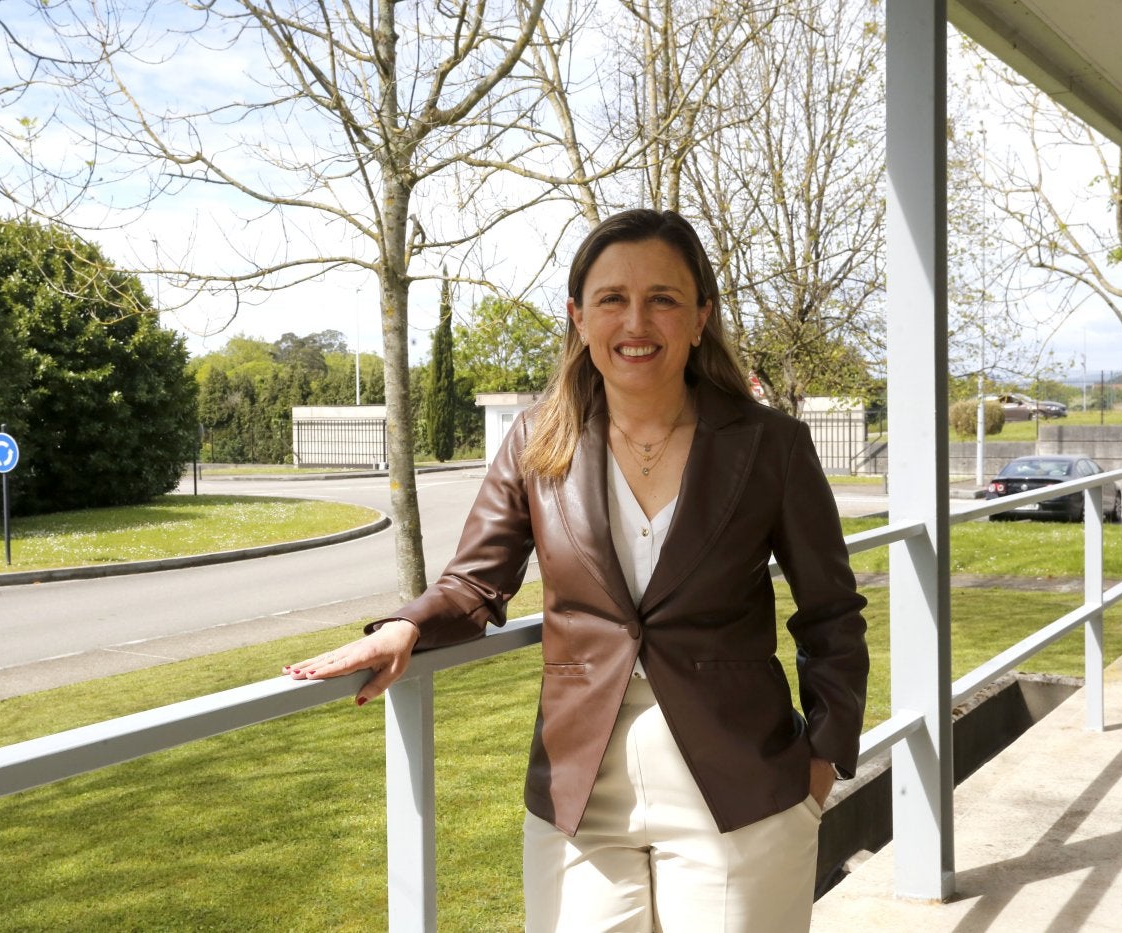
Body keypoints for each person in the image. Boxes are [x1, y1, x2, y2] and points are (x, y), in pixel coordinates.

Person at [285, 209, 868, 932]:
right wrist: (405, 626)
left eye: (663, 298)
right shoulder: (538, 441)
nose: (637, 321)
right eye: (612, 299)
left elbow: (831, 614)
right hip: (580, 787)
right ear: (578, 316)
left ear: (700, 317)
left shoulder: (772, 445)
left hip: (742, 783)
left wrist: (823, 760)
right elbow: (475, 581)